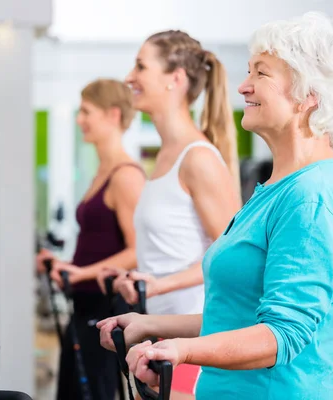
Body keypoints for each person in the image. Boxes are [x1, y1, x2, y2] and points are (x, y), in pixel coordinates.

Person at [97, 11, 333, 399]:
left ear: (310, 94)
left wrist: (180, 351)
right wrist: (152, 326)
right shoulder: (276, 191)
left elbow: (281, 336)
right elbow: (234, 316)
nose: (243, 86)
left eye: (261, 74)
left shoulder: (312, 198)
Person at [95, 30, 242, 397]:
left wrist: (160, 284)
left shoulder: (199, 158)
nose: (130, 77)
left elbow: (234, 258)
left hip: (192, 340)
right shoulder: (164, 156)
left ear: (175, 80)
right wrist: (138, 278)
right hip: (159, 333)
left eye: (141, 66)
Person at [35, 78, 146, 400]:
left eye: (86, 112)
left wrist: (82, 274)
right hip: (84, 307)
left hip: (106, 309)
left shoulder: (125, 176)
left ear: (113, 115)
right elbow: (98, 246)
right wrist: (64, 265)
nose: (79, 119)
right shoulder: (102, 172)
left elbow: (136, 251)